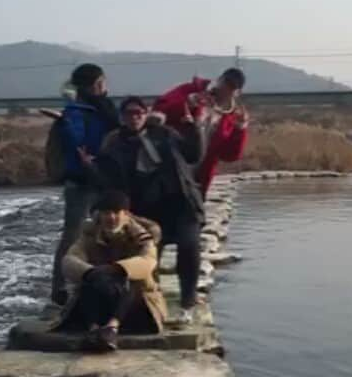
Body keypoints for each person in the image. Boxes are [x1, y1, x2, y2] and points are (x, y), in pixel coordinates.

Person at [98, 96, 205, 325]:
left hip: (181, 203)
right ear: (122, 117)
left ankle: (188, 301)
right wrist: (89, 167)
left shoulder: (164, 134)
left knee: (189, 248)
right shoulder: (115, 143)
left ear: (146, 114)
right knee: (149, 256)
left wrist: (192, 126)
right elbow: (109, 180)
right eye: (128, 113)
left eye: (138, 112)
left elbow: (193, 155)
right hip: (147, 209)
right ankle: (152, 303)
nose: (134, 117)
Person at [50, 190, 167, 352]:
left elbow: (148, 261)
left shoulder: (142, 236)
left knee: (130, 280)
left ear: (126, 214)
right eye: (106, 213)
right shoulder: (89, 234)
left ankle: (112, 327)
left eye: (116, 213)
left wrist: (117, 269)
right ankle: (95, 329)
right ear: (100, 215)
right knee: (89, 280)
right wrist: (91, 272)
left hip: (137, 306)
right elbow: (69, 260)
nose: (111, 218)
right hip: (101, 294)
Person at [51, 63, 120, 306]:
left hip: (98, 181)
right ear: (97, 84)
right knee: (74, 236)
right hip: (83, 183)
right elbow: (80, 143)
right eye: (103, 83)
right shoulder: (79, 112)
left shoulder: (96, 109)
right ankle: (60, 289)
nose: (105, 87)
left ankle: (94, 286)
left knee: (99, 234)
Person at [150, 68, 249, 196]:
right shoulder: (191, 90)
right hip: (169, 167)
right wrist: (188, 103)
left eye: (232, 87)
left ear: (237, 93)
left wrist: (240, 130)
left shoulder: (232, 117)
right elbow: (159, 110)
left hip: (199, 179)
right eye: (225, 83)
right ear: (219, 80)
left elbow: (230, 156)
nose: (226, 89)